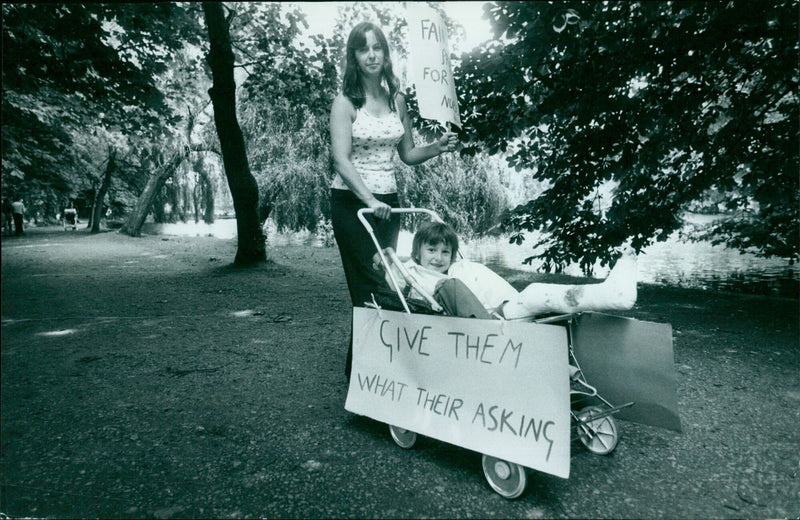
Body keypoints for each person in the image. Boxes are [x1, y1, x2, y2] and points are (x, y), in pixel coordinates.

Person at [329, 21, 458, 378]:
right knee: (367, 289)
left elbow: (408, 154)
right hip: (353, 205)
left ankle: (374, 374)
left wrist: (436, 147)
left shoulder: (396, 99)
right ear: (354, 56)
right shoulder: (345, 103)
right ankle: (364, 376)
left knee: (389, 287)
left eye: (377, 48)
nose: (372, 55)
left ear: (386, 53)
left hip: (389, 205)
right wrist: (368, 199)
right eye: (363, 49)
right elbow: (341, 160)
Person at [375, 221, 638, 321]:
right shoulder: (412, 273)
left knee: (540, 301)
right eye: (431, 251)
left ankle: (606, 295)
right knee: (535, 293)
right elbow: (396, 277)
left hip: (501, 307)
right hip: (489, 322)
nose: (438, 258)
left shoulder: (455, 268)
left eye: (445, 252)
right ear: (417, 252)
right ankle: (610, 294)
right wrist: (388, 259)